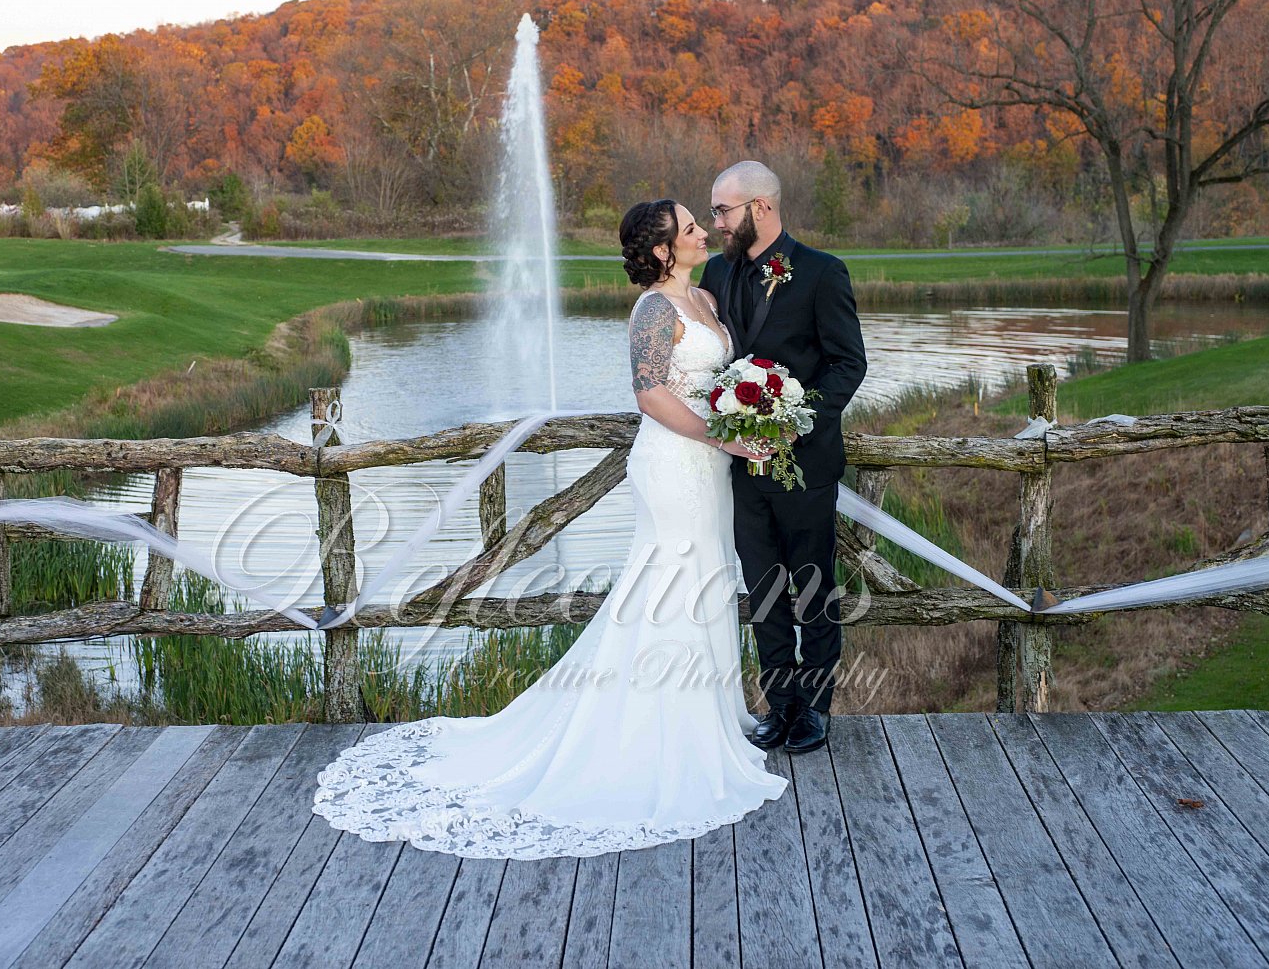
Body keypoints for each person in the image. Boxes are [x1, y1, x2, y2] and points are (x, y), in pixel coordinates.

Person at [307, 199, 789, 859]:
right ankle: (659, 737)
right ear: (660, 251)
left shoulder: (704, 296)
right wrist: (723, 438)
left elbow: (716, 376)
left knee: (704, 581)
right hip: (677, 465)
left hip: (710, 468)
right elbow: (650, 393)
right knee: (669, 586)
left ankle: (706, 720)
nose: (703, 231)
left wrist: (752, 409)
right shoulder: (654, 309)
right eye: (689, 229)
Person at [698, 160, 868, 754]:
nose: (716, 221)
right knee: (763, 584)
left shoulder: (821, 272)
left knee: (814, 585)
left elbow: (849, 362)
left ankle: (816, 707)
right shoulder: (715, 274)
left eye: (724, 210)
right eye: (715, 211)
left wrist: (793, 421)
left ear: (761, 208)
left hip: (807, 461)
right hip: (739, 464)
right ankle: (780, 703)